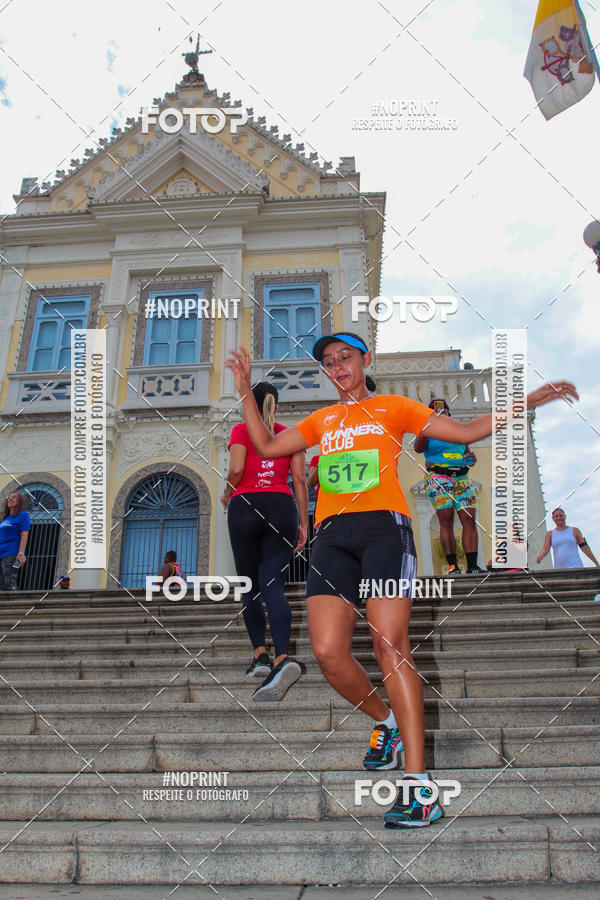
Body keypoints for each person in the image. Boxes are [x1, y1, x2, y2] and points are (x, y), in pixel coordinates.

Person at [226, 332, 577, 828]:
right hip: (331, 535)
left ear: (364, 360)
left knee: (391, 646)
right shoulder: (321, 420)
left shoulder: (394, 407)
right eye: (328, 362)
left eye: (345, 357)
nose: (337, 366)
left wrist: (526, 402)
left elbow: (467, 431)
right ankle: (385, 721)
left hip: (384, 530)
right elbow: (264, 443)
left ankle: (418, 786)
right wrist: (244, 388)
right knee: (328, 652)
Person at [221, 381, 308, 701]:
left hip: (245, 507)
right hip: (280, 507)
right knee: (273, 584)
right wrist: (302, 521)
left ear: (251, 405)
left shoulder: (242, 430)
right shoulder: (291, 433)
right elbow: (299, 480)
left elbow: (237, 469)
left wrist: (227, 492)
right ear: (276, 404)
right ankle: (283, 656)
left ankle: (260, 655)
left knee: (248, 585)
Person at [414, 399, 483, 575]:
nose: (441, 412)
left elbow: (467, 453)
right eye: (436, 410)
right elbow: (418, 448)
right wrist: (425, 427)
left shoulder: (458, 431)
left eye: (444, 410)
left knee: (468, 518)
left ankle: (473, 566)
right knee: (446, 520)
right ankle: (453, 566)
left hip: (461, 476)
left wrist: (471, 458)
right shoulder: (428, 430)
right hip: (438, 477)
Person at [0, 491, 30, 592]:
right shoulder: (6, 519)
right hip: (1, 552)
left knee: (9, 582)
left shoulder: (23, 515)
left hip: (11, 552)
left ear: (19, 501)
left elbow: (24, 534)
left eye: (14, 497)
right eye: (9, 497)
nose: (10, 499)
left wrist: (21, 553)